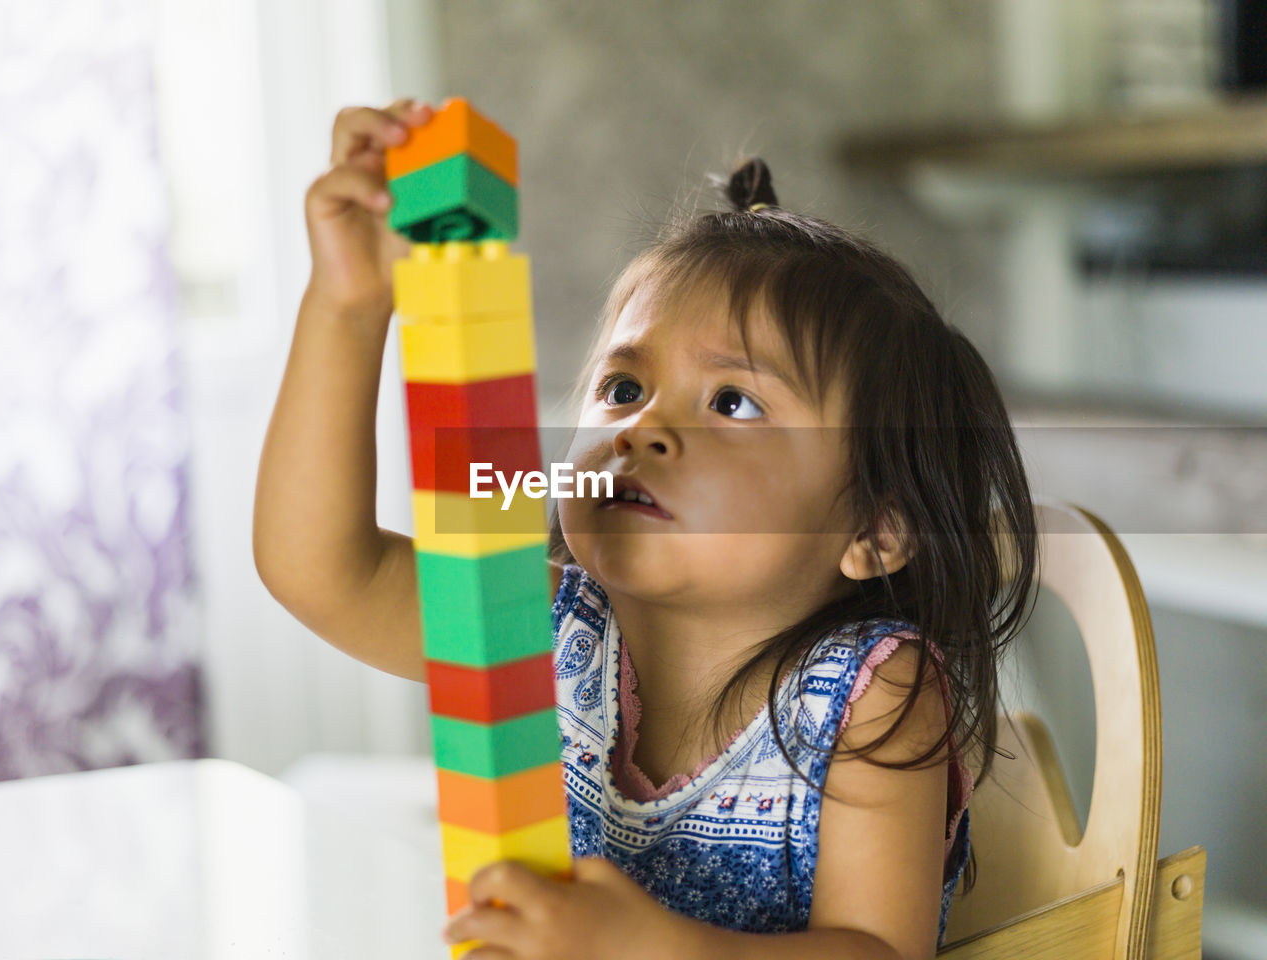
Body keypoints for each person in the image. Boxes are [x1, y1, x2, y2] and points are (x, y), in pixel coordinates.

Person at [254, 97, 1039, 960]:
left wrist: (654, 950)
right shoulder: (547, 627)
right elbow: (321, 570)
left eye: (733, 403)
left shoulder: (868, 698)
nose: (640, 429)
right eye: (623, 388)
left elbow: (877, 953)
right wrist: (349, 305)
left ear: (875, 530)